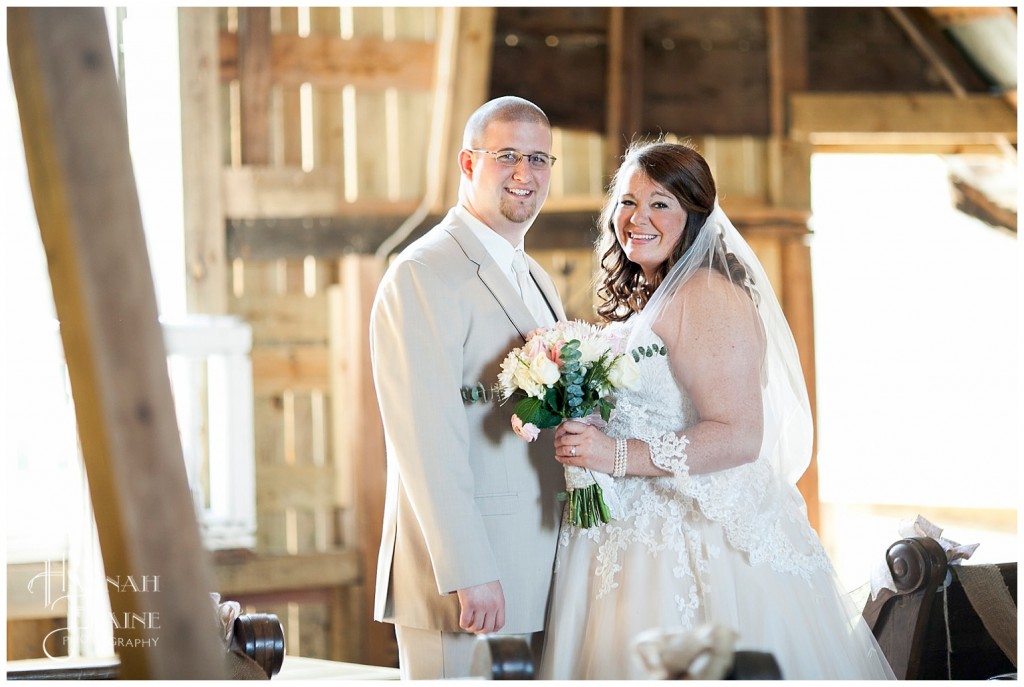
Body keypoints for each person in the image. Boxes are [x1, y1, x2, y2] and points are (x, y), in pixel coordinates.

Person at [537, 140, 895, 680]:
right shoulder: (658, 296)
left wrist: (613, 453)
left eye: (660, 204)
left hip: (694, 550)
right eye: (628, 202)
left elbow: (739, 435)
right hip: (629, 540)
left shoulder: (706, 294)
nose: (638, 218)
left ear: (694, 216)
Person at [369, 96, 567, 679]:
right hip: (468, 582)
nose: (525, 174)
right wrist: (467, 568)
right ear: (467, 163)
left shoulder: (534, 276)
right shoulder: (423, 272)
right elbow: (425, 437)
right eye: (507, 156)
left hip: (536, 562)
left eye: (539, 158)